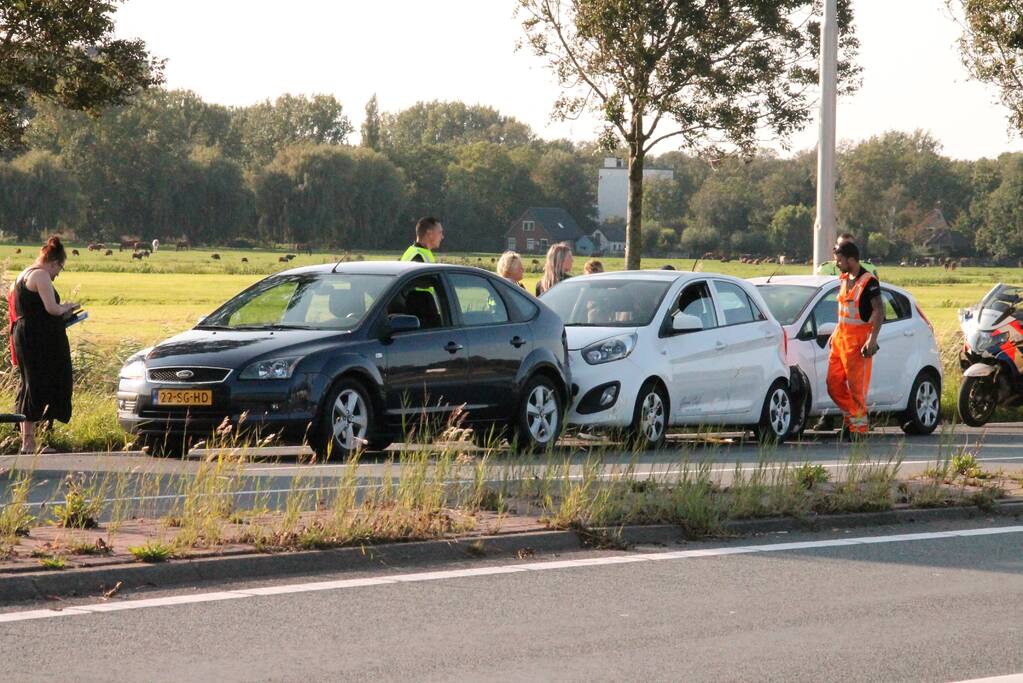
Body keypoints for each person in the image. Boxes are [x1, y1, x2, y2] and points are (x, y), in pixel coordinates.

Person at [12, 236, 76, 454]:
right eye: (60, 268)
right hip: (38, 339)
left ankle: (32, 440)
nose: (58, 273)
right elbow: (51, 308)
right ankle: (29, 442)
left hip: (25, 335)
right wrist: (68, 307)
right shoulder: (41, 275)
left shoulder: (24, 273)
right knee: (40, 384)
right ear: (54, 262)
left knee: (31, 383)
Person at [826, 241, 882, 437]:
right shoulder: (844, 279)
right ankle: (854, 418)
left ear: (851, 260)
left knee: (857, 391)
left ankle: (858, 430)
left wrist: (872, 340)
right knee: (833, 385)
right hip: (841, 338)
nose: (837, 264)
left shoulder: (869, 282)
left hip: (858, 342)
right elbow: (844, 312)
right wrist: (835, 332)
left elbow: (879, 311)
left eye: (839, 260)